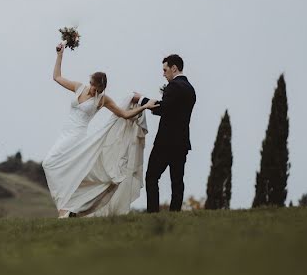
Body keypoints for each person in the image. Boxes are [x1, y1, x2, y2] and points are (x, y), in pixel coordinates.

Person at [43, 42, 158, 218]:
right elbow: (57, 77)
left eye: (94, 86)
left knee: (51, 163)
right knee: (53, 165)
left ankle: (64, 209)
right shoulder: (79, 87)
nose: (91, 88)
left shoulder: (102, 100)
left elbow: (124, 114)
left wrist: (145, 106)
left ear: (100, 87)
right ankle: (65, 208)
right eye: (90, 84)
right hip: (65, 132)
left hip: (77, 136)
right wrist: (59, 55)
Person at [132, 54, 196, 213]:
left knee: (152, 177)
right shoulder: (190, 89)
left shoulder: (174, 86)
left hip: (166, 142)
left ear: (174, 68)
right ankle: (175, 213)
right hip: (182, 143)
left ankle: (153, 213)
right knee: (177, 180)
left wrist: (142, 100)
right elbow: (172, 108)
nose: (163, 73)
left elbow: (163, 108)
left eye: (165, 69)